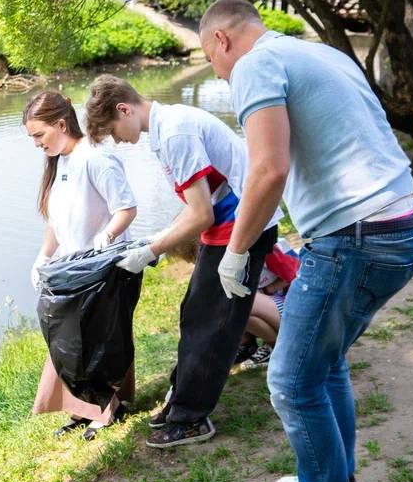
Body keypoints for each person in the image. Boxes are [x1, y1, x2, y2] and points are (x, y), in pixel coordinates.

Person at [198, 0, 413, 482]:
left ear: (222, 39)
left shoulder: (253, 66)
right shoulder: (319, 52)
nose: (219, 73)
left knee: (290, 377)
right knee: (323, 362)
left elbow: (268, 170)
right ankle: (335, 481)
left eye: (210, 60)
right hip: (401, 224)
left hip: (354, 238)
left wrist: (236, 252)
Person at [83, 75, 282, 449]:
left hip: (241, 228)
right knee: (197, 316)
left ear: (124, 110)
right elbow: (197, 206)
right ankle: (181, 403)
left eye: (112, 131)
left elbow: (201, 214)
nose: (117, 140)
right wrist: (156, 238)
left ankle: (191, 418)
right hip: (229, 225)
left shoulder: (175, 132)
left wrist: (150, 252)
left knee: (210, 324)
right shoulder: (167, 127)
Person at [24, 90, 138, 440]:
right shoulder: (59, 162)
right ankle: (83, 408)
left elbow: (126, 208)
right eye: (32, 138)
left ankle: (107, 408)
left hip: (108, 268)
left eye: (39, 135)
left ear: (61, 124)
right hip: (74, 268)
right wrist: (43, 257)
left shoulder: (96, 158)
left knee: (98, 341)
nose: (36, 144)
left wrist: (108, 235)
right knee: (68, 339)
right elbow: (56, 222)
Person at [232, 237, 299, 372]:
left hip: (293, 304)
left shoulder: (266, 249)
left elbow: (296, 274)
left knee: (242, 303)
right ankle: (251, 346)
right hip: (272, 304)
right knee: (237, 307)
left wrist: (267, 290)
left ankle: (277, 347)